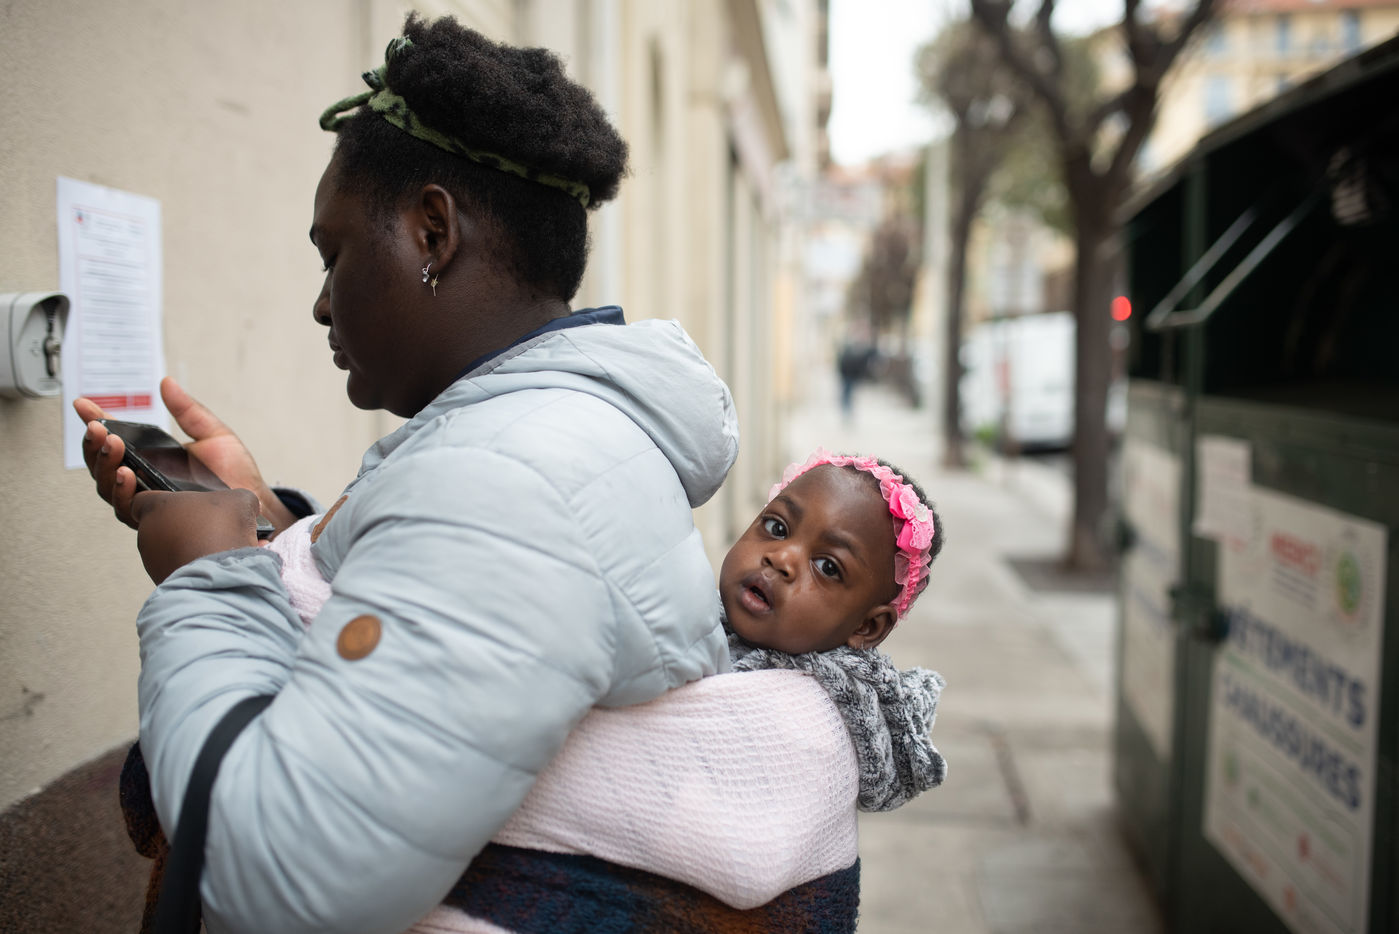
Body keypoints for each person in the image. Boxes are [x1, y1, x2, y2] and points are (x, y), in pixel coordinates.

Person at [75, 15, 739, 934]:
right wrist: (271, 528)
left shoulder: (507, 483)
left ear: (432, 231)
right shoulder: (542, 439)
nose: (320, 303)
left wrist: (211, 578)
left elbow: (283, 880)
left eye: (333, 253)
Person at [260, 447, 947, 931]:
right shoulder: (682, 613)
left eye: (828, 567)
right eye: (775, 526)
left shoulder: (806, 717)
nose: (783, 558)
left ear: (867, 628)